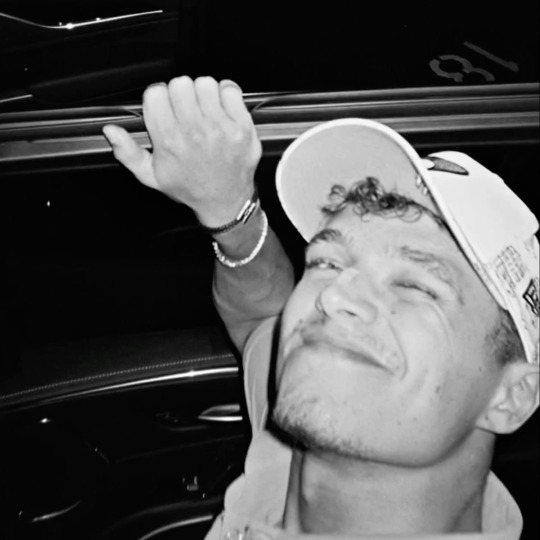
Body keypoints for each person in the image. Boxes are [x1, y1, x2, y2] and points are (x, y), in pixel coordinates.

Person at [103, 76, 540, 540]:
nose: (333, 297)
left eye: (414, 285)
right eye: (327, 262)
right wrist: (229, 210)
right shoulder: (292, 450)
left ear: (511, 397)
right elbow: (262, 317)